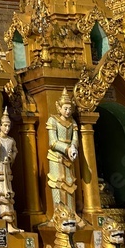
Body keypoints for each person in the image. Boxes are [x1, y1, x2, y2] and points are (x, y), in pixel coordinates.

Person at [46, 89, 79, 217]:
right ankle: (59, 214)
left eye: (69, 109)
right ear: (59, 108)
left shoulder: (73, 122)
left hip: (70, 157)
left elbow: (75, 139)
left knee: (70, 184)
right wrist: (67, 148)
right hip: (56, 157)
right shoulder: (52, 120)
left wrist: (73, 148)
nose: (68, 111)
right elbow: (53, 142)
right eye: (65, 108)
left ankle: (72, 213)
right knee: (57, 184)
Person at [0, 108, 20, 231]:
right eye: (5, 126)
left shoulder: (11, 140)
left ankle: (12, 222)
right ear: (0, 125)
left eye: (9, 126)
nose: (7, 128)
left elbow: (15, 151)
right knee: (2, 195)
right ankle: (7, 222)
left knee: (10, 196)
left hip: (7, 169)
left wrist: (11, 158)